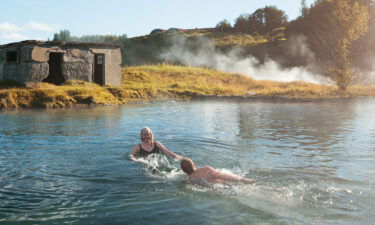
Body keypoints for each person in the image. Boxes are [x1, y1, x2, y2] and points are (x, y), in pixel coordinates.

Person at [180, 158, 256, 185]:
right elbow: (222, 175)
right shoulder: (206, 169)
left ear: (183, 171)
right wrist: (243, 179)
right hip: (227, 186)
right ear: (195, 165)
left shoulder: (188, 179)